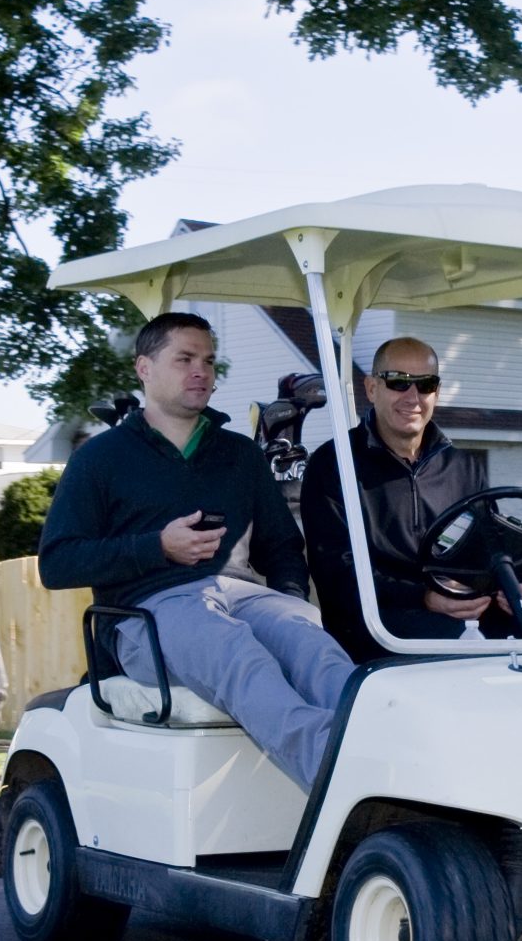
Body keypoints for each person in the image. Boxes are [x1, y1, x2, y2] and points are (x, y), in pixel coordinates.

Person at [37, 311, 355, 793]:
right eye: (184, 359)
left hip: (243, 598)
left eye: (208, 361)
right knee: (235, 651)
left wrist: (292, 602)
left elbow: (281, 547)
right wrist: (157, 547)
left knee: (312, 643)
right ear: (144, 368)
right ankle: (344, 783)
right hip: (146, 613)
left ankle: (385, 750)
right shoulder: (99, 459)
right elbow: (57, 563)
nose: (200, 371)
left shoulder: (240, 455)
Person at [301, 336, 522, 663]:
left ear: (437, 392)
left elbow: (486, 550)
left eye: (425, 384)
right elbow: (335, 574)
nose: (412, 397)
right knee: (464, 648)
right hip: (375, 621)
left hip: (464, 614)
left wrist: (505, 585)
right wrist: (424, 597)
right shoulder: (334, 464)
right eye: (398, 382)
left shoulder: (462, 467)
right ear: (371, 388)